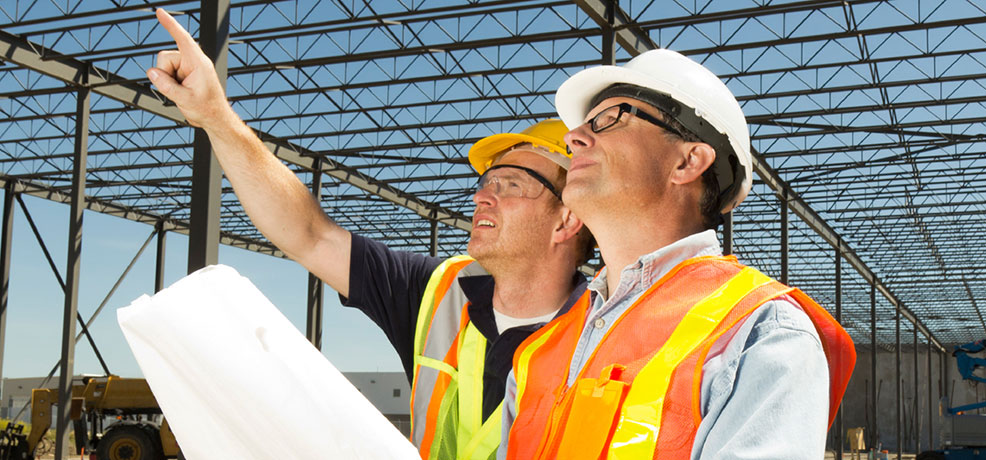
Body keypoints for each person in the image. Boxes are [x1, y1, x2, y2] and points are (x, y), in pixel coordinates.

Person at [145, 9, 592, 460]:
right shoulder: (438, 295)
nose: (483, 197)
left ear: (567, 220)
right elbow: (310, 236)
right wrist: (216, 117)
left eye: (511, 184)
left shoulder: (606, 340)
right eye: (486, 182)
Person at [501, 49, 856, 459]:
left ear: (688, 161)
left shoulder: (756, 332)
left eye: (611, 118)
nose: (573, 137)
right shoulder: (542, 351)